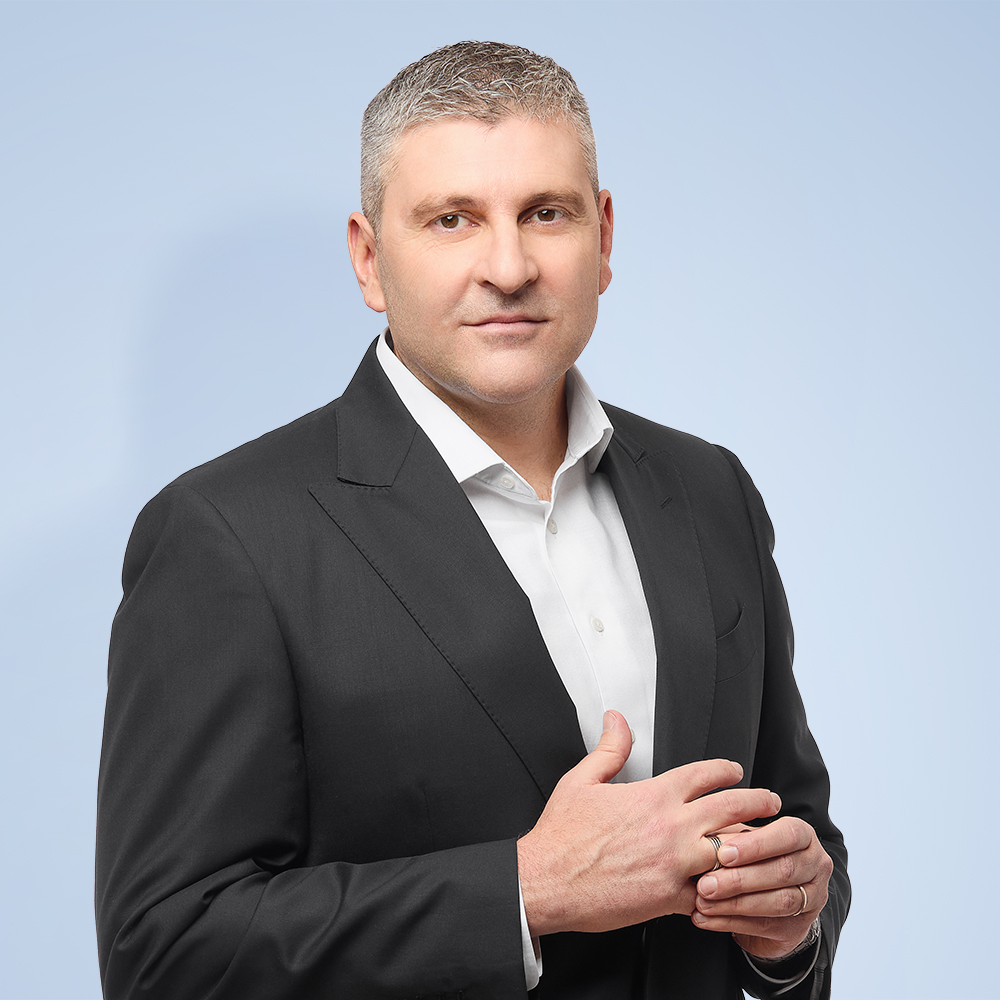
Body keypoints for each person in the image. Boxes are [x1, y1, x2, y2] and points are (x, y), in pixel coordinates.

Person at [96, 40, 848, 1000]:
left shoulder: (711, 491)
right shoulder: (226, 535)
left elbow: (802, 834)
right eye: (452, 220)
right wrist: (525, 892)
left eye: (546, 213)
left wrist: (790, 928)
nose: (509, 266)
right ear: (370, 259)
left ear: (604, 237)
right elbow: (164, 954)